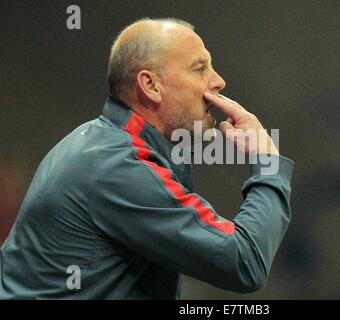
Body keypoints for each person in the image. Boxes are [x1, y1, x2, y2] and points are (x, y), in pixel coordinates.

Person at [0, 18, 294, 299]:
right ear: (151, 85)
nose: (218, 81)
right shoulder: (118, 165)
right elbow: (244, 262)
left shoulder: (102, 143)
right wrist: (267, 162)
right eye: (199, 68)